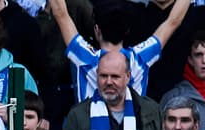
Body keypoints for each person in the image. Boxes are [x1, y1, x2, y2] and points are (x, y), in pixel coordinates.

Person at [49, 0, 189, 105]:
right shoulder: (140, 58)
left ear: (97, 31)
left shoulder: (85, 57)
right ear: (127, 31)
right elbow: (173, 21)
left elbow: (61, 14)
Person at [59, 49, 162, 130]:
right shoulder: (78, 115)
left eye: (115, 76)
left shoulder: (151, 111)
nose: (108, 82)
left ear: (127, 76)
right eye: (103, 76)